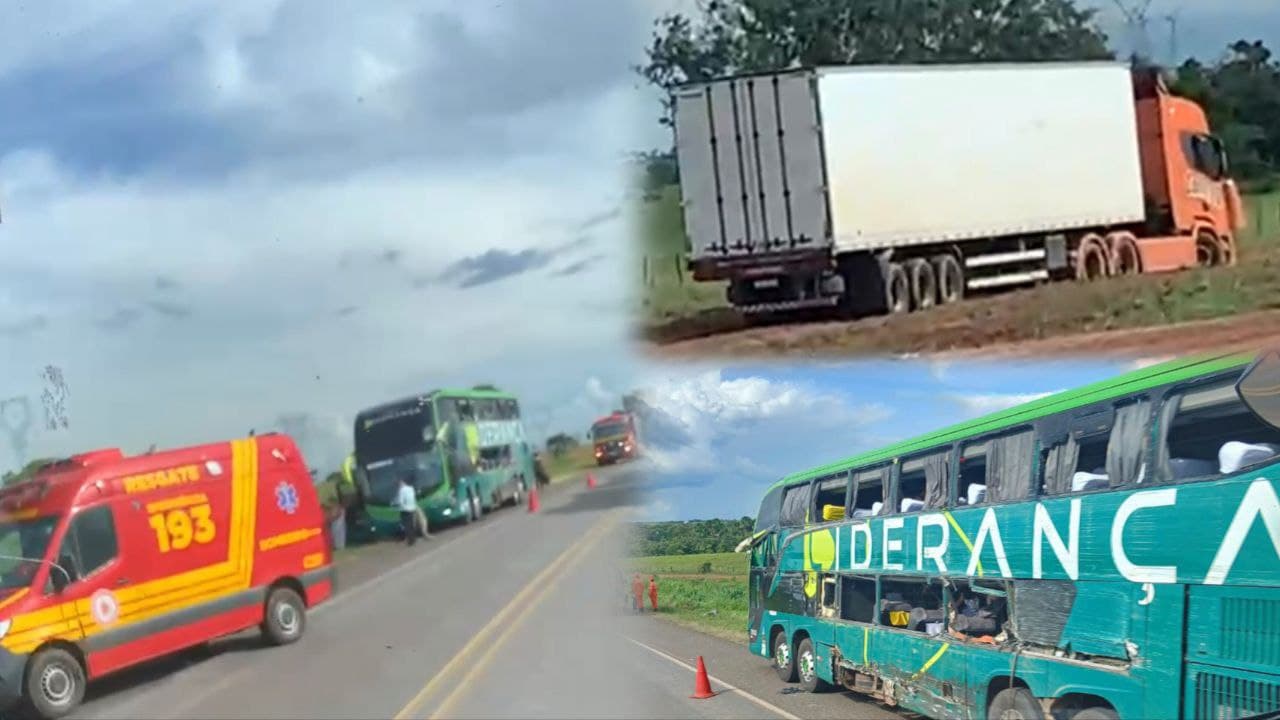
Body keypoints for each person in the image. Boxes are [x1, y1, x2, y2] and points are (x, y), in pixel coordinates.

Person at [396, 475, 419, 546]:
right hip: (412, 508)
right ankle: (414, 539)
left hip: (405, 510)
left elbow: (401, 501)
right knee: (411, 524)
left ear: (401, 482)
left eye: (399, 483)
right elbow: (413, 498)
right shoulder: (411, 488)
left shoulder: (401, 490)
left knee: (406, 526)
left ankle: (410, 541)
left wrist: (400, 506)